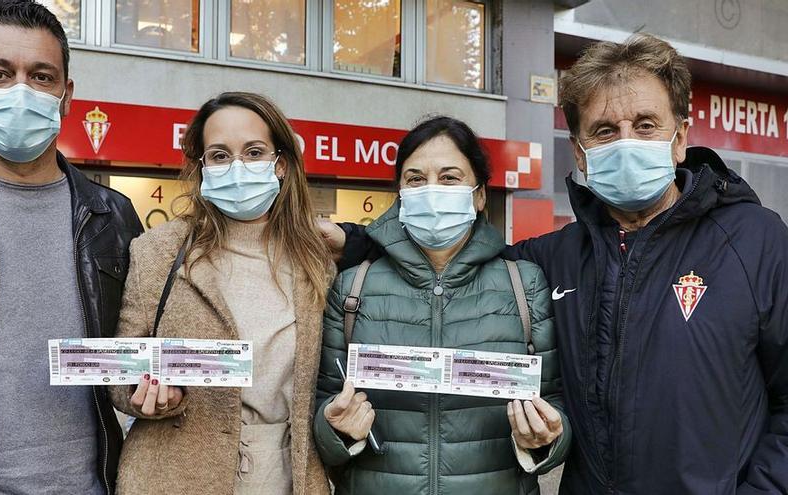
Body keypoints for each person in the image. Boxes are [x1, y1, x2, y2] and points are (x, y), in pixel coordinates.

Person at [328, 34, 788, 494]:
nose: (626, 142)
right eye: (605, 130)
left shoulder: (756, 241)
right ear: (580, 150)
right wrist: (357, 243)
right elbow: (455, 258)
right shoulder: (551, 259)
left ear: (680, 138)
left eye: (645, 125)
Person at [0, 1, 143, 493]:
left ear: (66, 95)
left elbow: (137, 351)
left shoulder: (113, 216)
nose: (20, 91)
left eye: (40, 76)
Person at [313, 116, 571, 494]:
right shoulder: (353, 287)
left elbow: (555, 402)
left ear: (480, 194)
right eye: (415, 179)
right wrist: (335, 429)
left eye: (450, 177)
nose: (431, 190)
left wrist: (545, 439)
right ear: (400, 193)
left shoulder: (524, 284)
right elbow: (321, 406)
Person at [109, 92, 334, 494]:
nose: (237, 167)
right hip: (175, 476)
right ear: (202, 167)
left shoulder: (315, 261)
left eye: (253, 152)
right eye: (219, 155)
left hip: (287, 476)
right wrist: (144, 394)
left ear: (281, 164)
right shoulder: (158, 251)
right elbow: (121, 369)